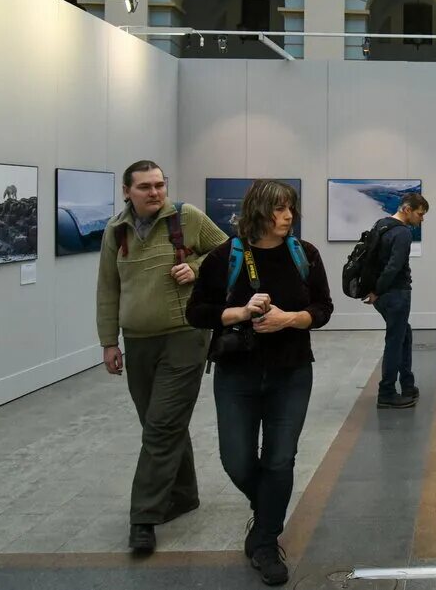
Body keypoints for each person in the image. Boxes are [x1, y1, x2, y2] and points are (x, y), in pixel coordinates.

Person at [186, 180, 333, 586]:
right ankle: (267, 508)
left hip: (292, 372)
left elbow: (323, 308)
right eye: (280, 209)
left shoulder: (305, 255)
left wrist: (290, 319)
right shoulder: (223, 258)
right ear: (259, 212)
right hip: (237, 374)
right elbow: (196, 312)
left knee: (280, 459)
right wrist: (240, 313)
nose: (288, 217)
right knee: (236, 459)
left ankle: (266, 542)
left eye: (291, 209)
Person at [96, 160, 228, 555]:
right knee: (160, 422)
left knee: (161, 425)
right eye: (145, 187)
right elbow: (107, 289)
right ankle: (184, 494)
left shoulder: (186, 218)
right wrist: (108, 342)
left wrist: (196, 266)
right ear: (126, 192)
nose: (155, 193)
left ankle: (144, 518)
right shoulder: (115, 231)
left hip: (184, 337)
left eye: (159, 185)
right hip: (137, 342)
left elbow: (230, 253)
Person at [365, 192, 429, 409]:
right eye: (420, 214)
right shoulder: (402, 233)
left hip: (383, 296)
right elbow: (394, 267)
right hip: (395, 294)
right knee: (395, 341)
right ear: (407, 209)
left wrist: (375, 291)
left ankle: (408, 384)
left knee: (404, 336)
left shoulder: (381, 225)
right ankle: (387, 392)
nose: (421, 219)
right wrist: (378, 290)